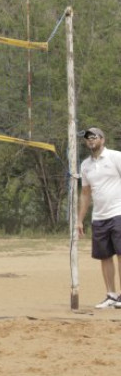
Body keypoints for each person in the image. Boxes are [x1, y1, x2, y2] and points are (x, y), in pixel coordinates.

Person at [75, 127, 121, 309]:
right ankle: (111, 294)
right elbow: (85, 193)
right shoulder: (85, 165)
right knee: (105, 256)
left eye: (94, 137)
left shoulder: (115, 157)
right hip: (99, 217)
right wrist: (80, 219)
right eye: (88, 138)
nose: (90, 140)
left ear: (102, 139)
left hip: (118, 212)